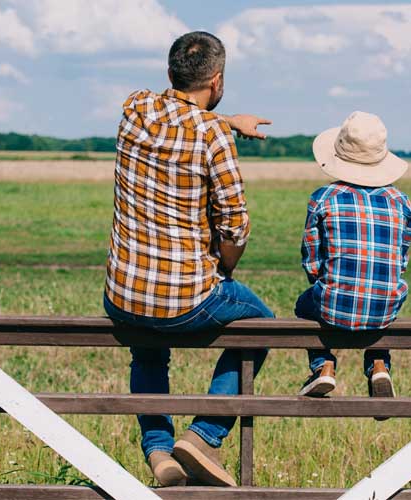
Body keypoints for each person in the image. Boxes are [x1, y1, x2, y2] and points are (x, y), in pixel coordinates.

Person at [103, 31, 273, 487]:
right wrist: (225, 271)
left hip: (123, 296)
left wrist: (227, 120)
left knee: (148, 351)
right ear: (216, 80)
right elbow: (235, 226)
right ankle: (203, 436)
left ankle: (159, 450)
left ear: (169, 74)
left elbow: (179, 112)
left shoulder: (134, 108)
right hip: (187, 301)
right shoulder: (214, 137)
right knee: (263, 326)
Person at [294, 111, 411, 413]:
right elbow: (399, 262)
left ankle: (323, 367)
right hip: (384, 308)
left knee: (303, 305)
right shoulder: (401, 202)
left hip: (332, 303)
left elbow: (311, 262)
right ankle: (378, 365)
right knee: (380, 298)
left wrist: (328, 283)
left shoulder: (323, 198)